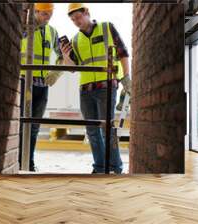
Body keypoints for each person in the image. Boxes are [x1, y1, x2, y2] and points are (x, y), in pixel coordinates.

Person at [60, 3, 132, 174]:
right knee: (91, 130)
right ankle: (99, 167)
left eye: (78, 17)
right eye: (72, 20)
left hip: (106, 87)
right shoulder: (76, 40)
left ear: (86, 12)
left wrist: (126, 77)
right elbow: (73, 68)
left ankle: (115, 167)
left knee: (107, 129)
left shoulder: (107, 27)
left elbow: (123, 53)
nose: (76, 22)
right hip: (85, 90)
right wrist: (65, 57)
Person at [19, 3, 63, 171]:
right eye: (45, 14)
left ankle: (29, 163)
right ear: (35, 11)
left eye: (50, 14)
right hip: (24, 82)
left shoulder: (52, 32)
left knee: (35, 126)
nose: (48, 17)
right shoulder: (25, 29)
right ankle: (18, 162)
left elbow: (62, 56)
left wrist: (55, 74)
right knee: (22, 124)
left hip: (42, 86)